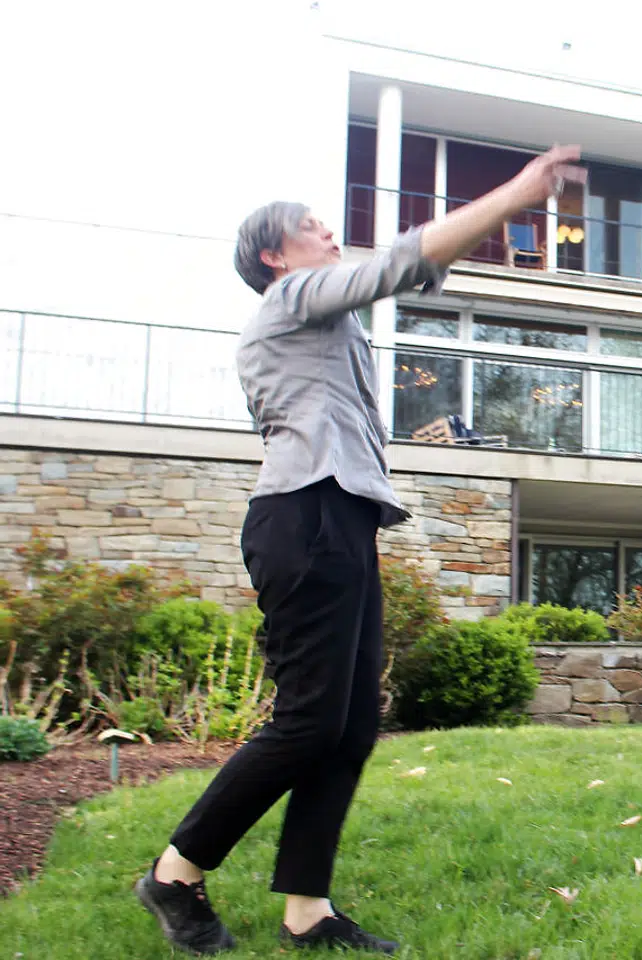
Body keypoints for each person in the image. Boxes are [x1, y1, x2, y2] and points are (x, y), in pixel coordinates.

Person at [133, 145, 584, 956]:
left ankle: (308, 910)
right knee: (308, 723)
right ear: (275, 255)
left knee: (349, 727)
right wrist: (519, 192)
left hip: (337, 521)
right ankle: (174, 873)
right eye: (310, 227)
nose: (327, 233)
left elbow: (415, 269)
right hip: (304, 518)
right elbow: (405, 259)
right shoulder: (292, 297)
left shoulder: (318, 317)